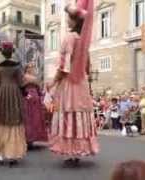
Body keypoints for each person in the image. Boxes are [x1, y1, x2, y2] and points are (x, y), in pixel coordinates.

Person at [46, 3, 98, 165]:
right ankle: (78, 151)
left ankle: (70, 151)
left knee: (69, 114)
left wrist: (53, 82)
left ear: (74, 21)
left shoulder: (69, 38)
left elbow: (64, 67)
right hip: (82, 83)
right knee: (80, 115)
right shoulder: (83, 40)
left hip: (70, 84)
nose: (67, 20)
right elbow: (88, 67)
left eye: (68, 17)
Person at [0, 42, 27, 166]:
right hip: (14, 93)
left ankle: (0, 154)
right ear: (12, 52)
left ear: (2, 52)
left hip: (2, 93)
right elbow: (21, 83)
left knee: (1, 120)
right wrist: (24, 93)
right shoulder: (17, 65)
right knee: (14, 120)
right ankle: (13, 155)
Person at [23, 62, 47, 148]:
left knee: (35, 119)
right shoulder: (24, 76)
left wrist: (41, 96)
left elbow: (39, 89)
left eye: (33, 67)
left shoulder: (35, 77)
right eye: (30, 67)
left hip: (35, 99)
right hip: (27, 98)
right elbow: (22, 87)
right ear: (27, 68)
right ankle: (27, 139)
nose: (32, 68)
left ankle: (32, 139)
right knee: (28, 118)